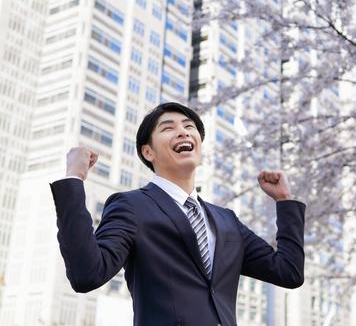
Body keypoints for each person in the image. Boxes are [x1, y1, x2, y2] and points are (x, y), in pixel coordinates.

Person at [50, 102, 306, 326]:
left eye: (189, 126)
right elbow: (86, 274)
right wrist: (74, 178)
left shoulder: (227, 220)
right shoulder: (131, 206)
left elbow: (288, 272)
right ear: (147, 152)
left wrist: (285, 202)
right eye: (168, 128)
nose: (183, 131)